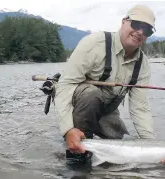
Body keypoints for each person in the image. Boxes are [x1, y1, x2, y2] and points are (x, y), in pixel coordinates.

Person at [53, 4, 157, 163]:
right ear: (124, 22)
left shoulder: (143, 65)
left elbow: (139, 107)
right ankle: (77, 156)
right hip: (81, 102)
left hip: (107, 110)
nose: (141, 32)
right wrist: (67, 130)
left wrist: (153, 147)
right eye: (136, 24)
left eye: (148, 30)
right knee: (91, 95)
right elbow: (65, 85)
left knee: (117, 144)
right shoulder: (93, 44)